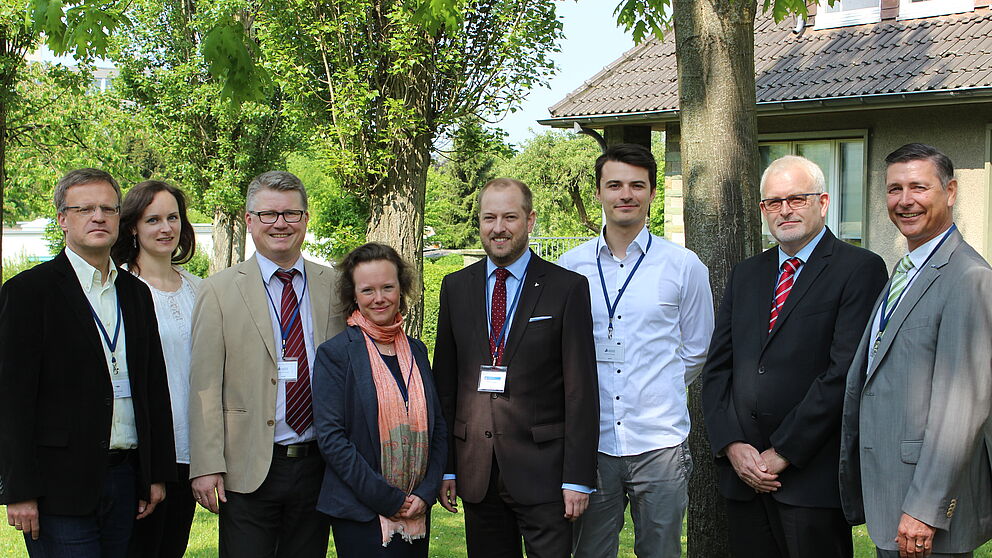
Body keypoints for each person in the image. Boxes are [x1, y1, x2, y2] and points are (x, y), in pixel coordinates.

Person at [700, 156, 887, 558]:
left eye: (796, 199)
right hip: (744, 476)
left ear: (822, 202)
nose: (784, 210)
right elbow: (718, 368)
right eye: (773, 202)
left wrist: (783, 451)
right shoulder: (746, 274)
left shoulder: (860, 269)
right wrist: (732, 444)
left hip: (810, 479)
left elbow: (844, 374)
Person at [0, 168, 176, 558]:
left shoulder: (135, 293)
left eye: (107, 208)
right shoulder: (29, 293)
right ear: (63, 219)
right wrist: (19, 491)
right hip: (57, 487)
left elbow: (153, 388)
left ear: (119, 219)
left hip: (126, 479)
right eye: (85, 209)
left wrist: (156, 473)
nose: (98, 217)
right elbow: (11, 400)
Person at [558, 143, 714, 558]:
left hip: (660, 444)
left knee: (661, 552)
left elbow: (697, 349)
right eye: (614, 185)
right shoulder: (570, 268)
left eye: (636, 185)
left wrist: (656, 386)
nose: (625, 194)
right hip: (593, 443)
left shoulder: (684, 266)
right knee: (589, 552)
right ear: (599, 193)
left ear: (650, 193)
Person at [433, 177, 599, 558]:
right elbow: (445, 383)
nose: (498, 228)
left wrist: (578, 477)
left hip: (545, 472)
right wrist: (447, 468)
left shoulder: (567, 287)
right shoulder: (455, 287)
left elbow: (580, 390)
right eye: (489, 217)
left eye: (510, 217)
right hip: (477, 470)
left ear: (530, 220)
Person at [840, 143, 992, 558]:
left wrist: (926, 509)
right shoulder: (908, 268)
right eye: (894, 189)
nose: (905, 201)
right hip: (891, 493)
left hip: (923, 509)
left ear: (952, 192)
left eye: (919, 187)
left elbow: (963, 407)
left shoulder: (969, 278)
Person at [188, 171, 345, 558]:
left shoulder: (337, 286)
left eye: (291, 214)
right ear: (249, 220)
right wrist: (206, 465)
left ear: (306, 219)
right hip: (249, 466)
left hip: (318, 463)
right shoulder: (219, 290)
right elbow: (204, 384)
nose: (280, 224)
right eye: (269, 214)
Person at [312, 242, 446, 557]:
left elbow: (437, 425)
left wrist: (425, 494)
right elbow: (332, 439)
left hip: (416, 507)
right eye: (368, 290)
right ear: (354, 295)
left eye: (388, 287)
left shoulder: (417, 351)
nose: (380, 298)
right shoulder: (336, 354)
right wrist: (388, 499)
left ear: (402, 289)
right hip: (361, 512)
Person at [112, 180, 201, 558]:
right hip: (144, 454)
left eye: (172, 217)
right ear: (132, 226)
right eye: (153, 220)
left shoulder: (200, 289)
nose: (166, 228)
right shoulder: (118, 288)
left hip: (191, 451)